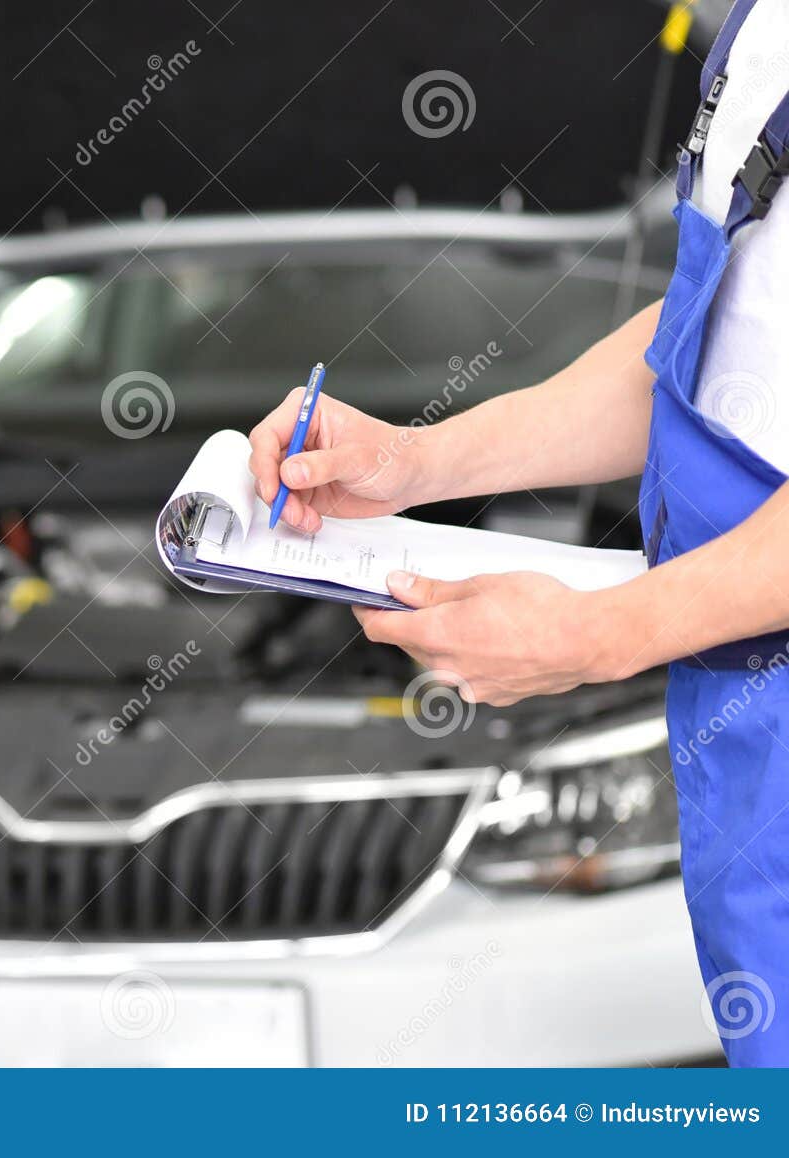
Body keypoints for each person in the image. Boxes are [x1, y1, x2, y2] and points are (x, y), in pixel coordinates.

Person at [247, 0, 789, 1066]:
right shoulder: (756, 33)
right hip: (739, 716)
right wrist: (415, 464)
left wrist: (601, 635)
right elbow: (703, 344)